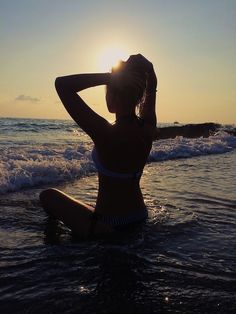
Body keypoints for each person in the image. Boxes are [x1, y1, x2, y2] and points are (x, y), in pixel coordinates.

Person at [40, 54, 157, 239]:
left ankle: (55, 255)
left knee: (48, 196)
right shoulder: (148, 127)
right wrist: (150, 72)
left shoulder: (106, 133)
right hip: (139, 217)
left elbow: (61, 85)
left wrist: (110, 77)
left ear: (114, 95)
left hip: (109, 225)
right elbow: (150, 91)